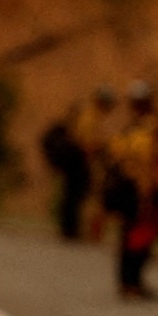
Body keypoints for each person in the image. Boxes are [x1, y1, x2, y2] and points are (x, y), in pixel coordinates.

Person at [106, 81, 158, 298]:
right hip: (138, 189)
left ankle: (128, 282)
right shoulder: (147, 130)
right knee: (139, 237)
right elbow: (145, 164)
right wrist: (145, 193)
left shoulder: (129, 130)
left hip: (125, 188)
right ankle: (132, 283)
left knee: (128, 236)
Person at [45, 85, 115, 241]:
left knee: (74, 194)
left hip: (78, 160)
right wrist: (101, 147)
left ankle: (70, 228)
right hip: (78, 161)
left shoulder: (92, 115)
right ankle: (69, 229)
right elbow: (85, 142)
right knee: (75, 195)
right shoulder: (90, 117)